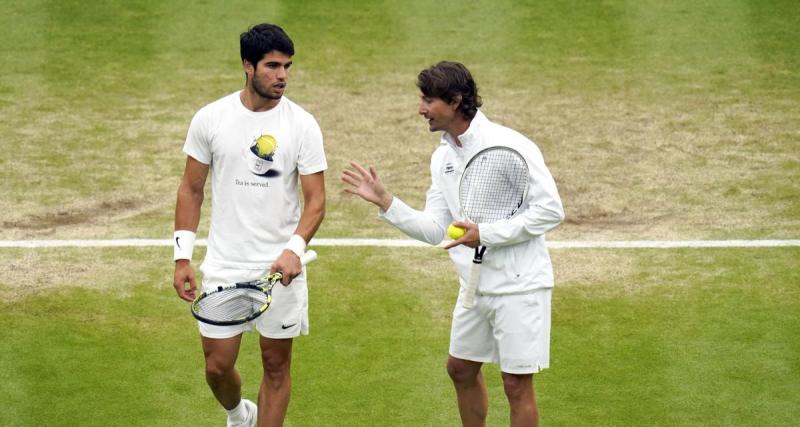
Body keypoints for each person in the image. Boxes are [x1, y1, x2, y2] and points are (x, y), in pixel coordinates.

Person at [342, 61, 564, 426]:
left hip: (520, 285)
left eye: (429, 100)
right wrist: (387, 202)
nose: (421, 109)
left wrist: (486, 233)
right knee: (460, 369)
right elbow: (436, 229)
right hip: (474, 287)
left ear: (456, 100)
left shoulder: (510, 145)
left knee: (516, 384)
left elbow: (551, 211)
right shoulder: (442, 157)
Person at [172, 23, 326, 427]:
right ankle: (239, 415)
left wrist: (294, 248)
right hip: (225, 265)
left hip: (281, 269)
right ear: (247, 65)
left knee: (276, 366)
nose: (282, 76)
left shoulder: (303, 125)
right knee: (217, 368)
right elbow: (191, 189)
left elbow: (317, 201)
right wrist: (181, 257)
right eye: (272, 66)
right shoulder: (211, 118)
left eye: (287, 66)